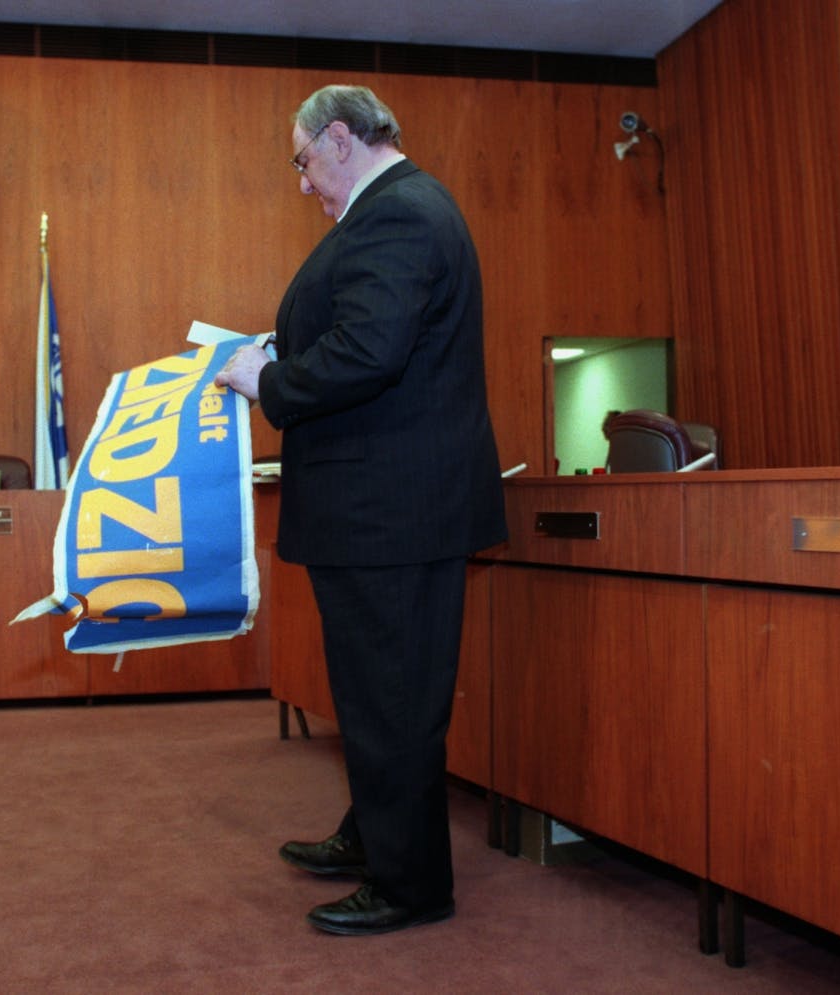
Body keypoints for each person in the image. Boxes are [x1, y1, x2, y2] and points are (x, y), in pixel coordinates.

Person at [214, 84, 507, 936]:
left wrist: (265, 380)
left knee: (394, 698)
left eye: (303, 161)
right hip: (383, 506)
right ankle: (373, 835)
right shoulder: (392, 213)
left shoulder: (400, 215)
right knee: (377, 693)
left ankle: (411, 884)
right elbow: (364, 334)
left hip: (394, 511)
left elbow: (369, 352)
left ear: (340, 139)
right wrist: (280, 349)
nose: (301, 183)